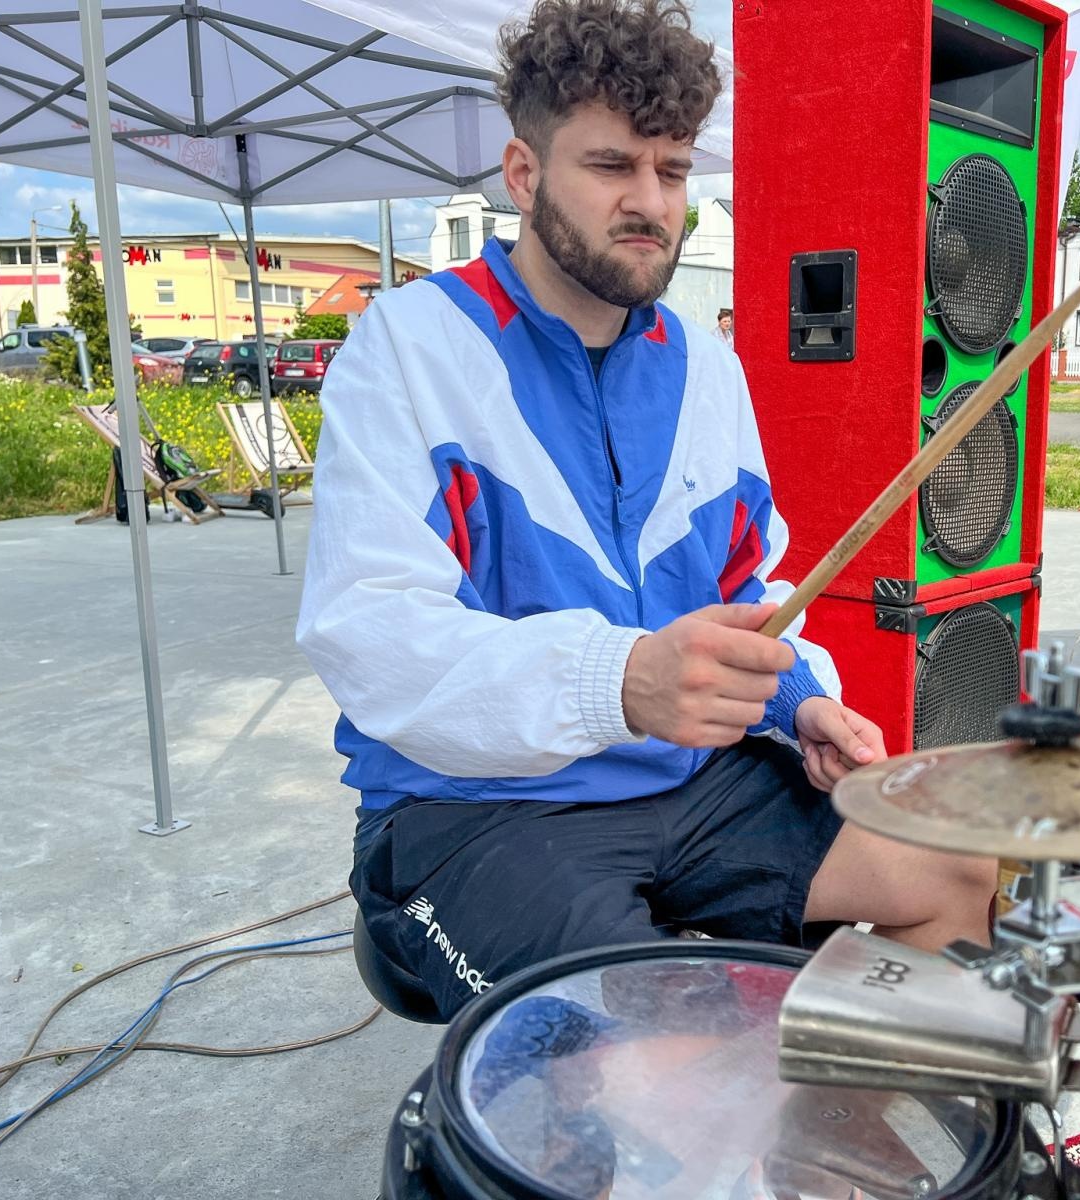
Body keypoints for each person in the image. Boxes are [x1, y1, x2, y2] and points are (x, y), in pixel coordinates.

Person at [297, 0, 995, 1020]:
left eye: (671, 172)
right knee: (650, 1052)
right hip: (472, 804)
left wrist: (796, 699)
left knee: (951, 871)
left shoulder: (709, 368)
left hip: (689, 780)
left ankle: (850, 1158)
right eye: (612, 165)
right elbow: (370, 635)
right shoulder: (408, 346)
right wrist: (617, 682)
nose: (650, 202)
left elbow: (748, 596)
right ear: (525, 175)